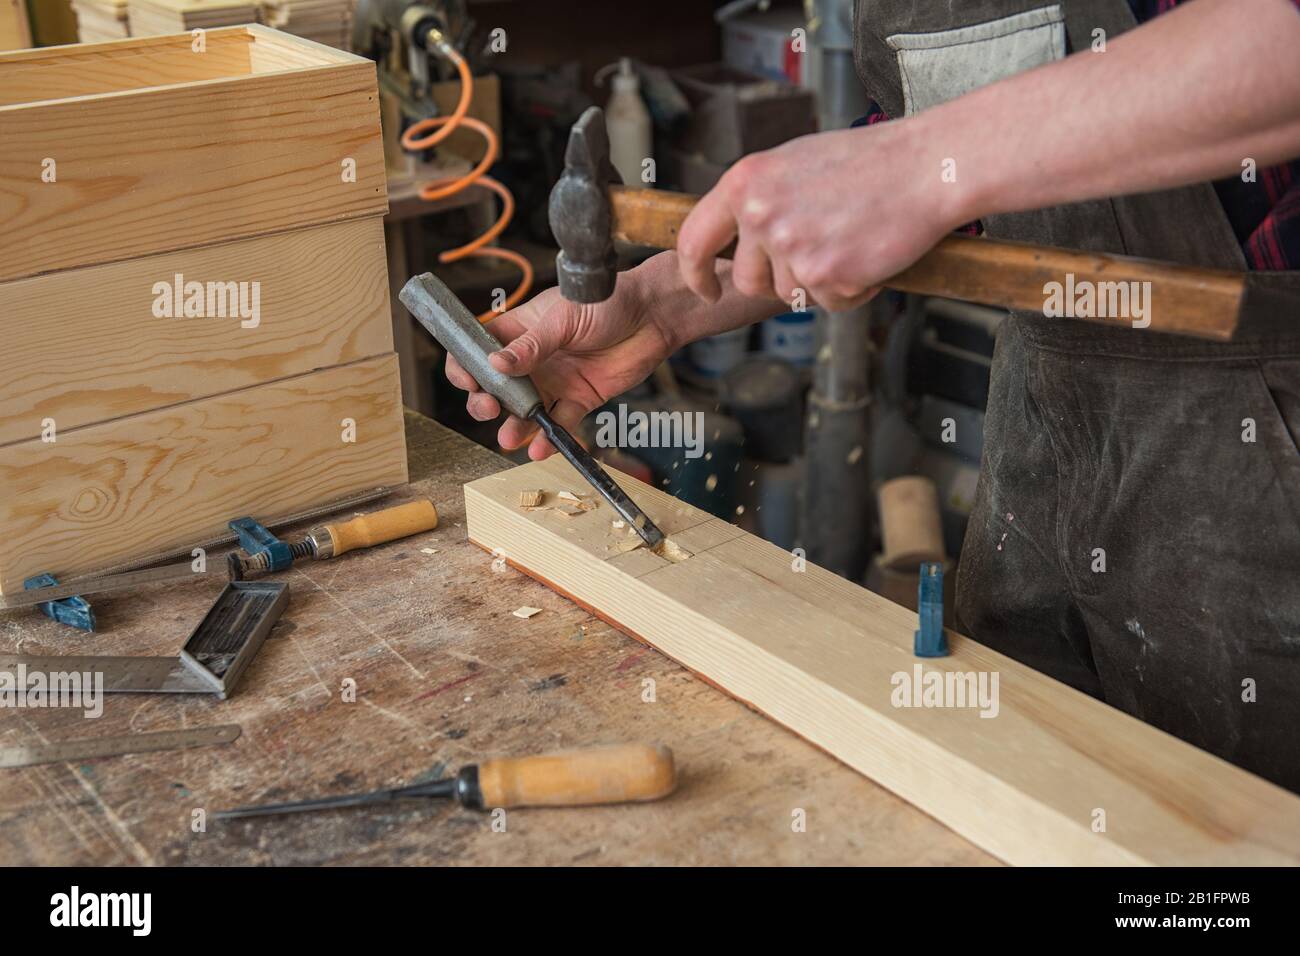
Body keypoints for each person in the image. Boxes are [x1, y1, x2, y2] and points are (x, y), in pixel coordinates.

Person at [446, 0, 1300, 791]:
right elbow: (950, 155)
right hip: (1052, 388)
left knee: (1226, 830)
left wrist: (920, 166)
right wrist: (662, 303)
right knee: (1019, 777)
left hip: (1261, 428)